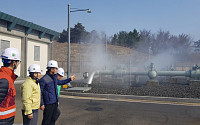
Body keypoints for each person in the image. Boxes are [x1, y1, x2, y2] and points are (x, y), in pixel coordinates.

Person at [40, 60, 76, 125]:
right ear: (51, 69)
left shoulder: (54, 78)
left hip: (54, 103)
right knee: (46, 121)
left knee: (52, 121)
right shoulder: (44, 79)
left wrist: (70, 79)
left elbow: (61, 82)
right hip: (48, 104)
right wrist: (42, 104)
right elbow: (40, 92)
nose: (57, 70)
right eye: (56, 68)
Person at [0, 48, 21, 124]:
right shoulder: (4, 79)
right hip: (3, 120)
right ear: (14, 63)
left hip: (7, 119)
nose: (18, 64)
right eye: (18, 62)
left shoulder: (8, 77)